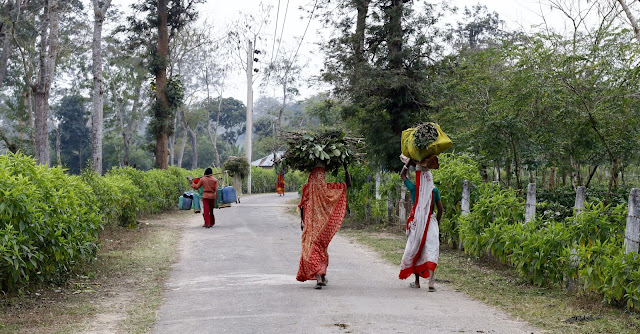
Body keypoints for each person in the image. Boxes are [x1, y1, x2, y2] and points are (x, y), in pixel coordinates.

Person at [296, 162, 351, 289]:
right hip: (319, 228)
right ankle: (321, 274)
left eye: (320, 178)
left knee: (312, 249)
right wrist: (345, 168)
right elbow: (346, 185)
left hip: (316, 228)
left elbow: (346, 185)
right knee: (319, 250)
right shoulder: (317, 190)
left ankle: (319, 276)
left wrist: (346, 169)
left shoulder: (316, 190)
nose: (318, 181)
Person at [399, 155, 443, 291]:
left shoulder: (414, 189)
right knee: (430, 249)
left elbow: (402, 175)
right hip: (430, 222)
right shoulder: (434, 190)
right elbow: (440, 209)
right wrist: (437, 222)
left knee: (416, 248)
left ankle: (417, 282)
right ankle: (431, 282)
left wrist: (407, 164)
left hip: (417, 222)